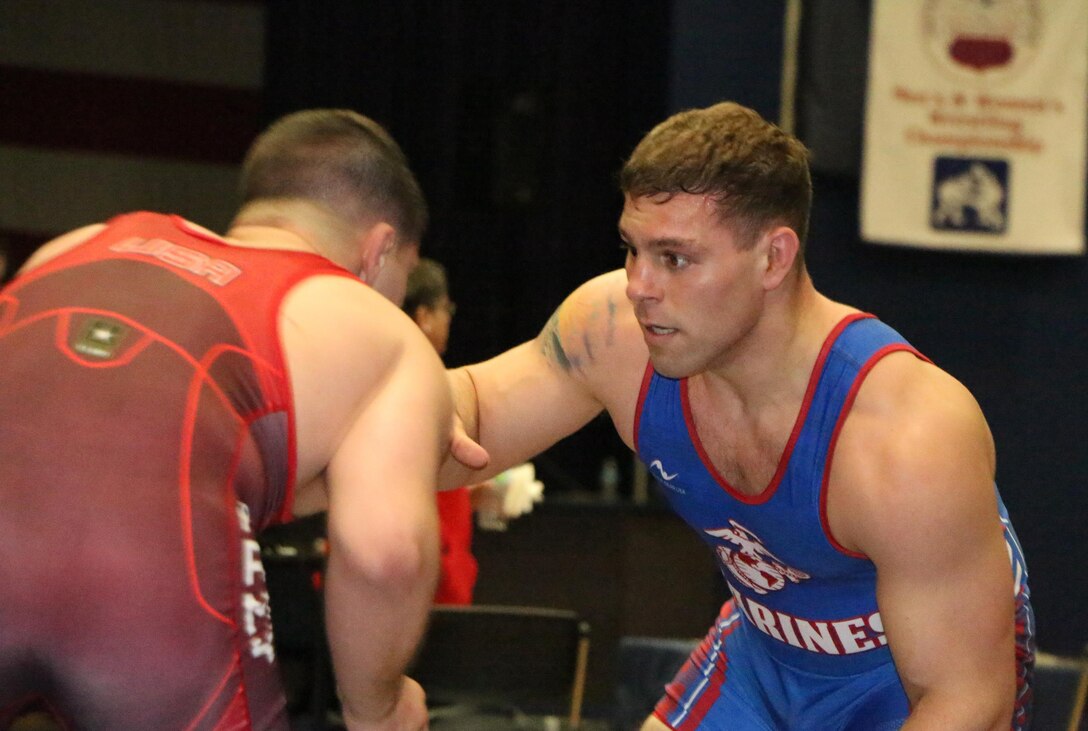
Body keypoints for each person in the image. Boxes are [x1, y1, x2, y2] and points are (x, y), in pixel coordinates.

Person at [443, 101, 1035, 729]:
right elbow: (471, 408)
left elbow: (968, 701)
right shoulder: (614, 332)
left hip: (908, 687)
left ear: (774, 258)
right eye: (633, 250)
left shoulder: (907, 434)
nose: (640, 285)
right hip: (766, 655)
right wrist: (380, 403)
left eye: (674, 258)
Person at [0, 109, 450, 731]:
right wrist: (377, 707)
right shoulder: (376, 328)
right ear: (378, 250)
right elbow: (384, 555)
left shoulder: (71, 247)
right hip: (148, 613)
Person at [403, 257, 543, 605]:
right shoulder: (419, 385)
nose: (449, 318)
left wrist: (470, 494)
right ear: (424, 317)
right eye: (445, 308)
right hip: (426, 581)